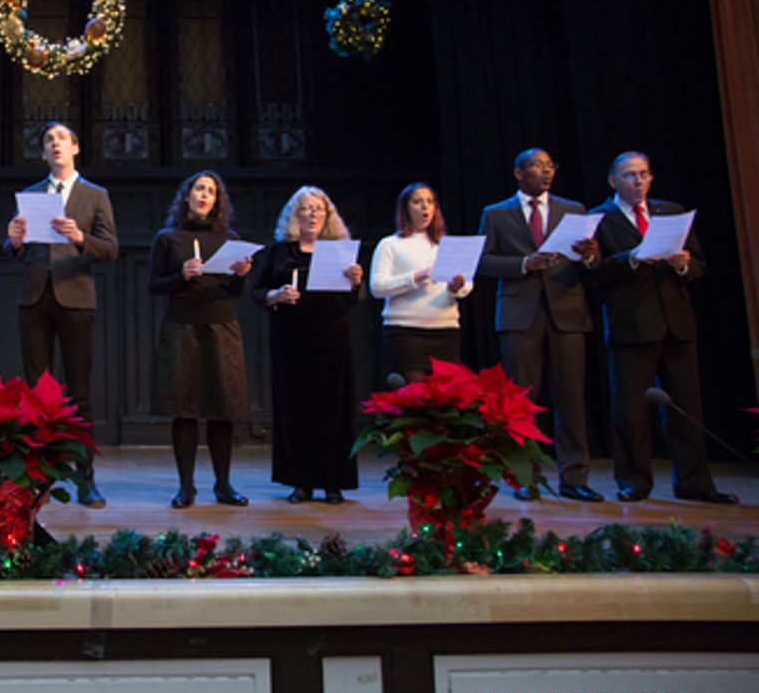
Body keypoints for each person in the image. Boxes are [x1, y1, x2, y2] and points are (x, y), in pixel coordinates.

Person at [590, 151, 737, 505]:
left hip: (676, 322)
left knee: (686, 406)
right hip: (631, 324)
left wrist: (684, 265)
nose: (638, 181)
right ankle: (634, 480)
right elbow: (593, 274)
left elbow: (700, 264)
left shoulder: (670, 211)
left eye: (643, 174)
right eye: (629, 175)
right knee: (630, 409)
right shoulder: (598, 219)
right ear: (613, 180)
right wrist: (631, 259)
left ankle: (694, 482)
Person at [4, 121, 118, 508]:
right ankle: (39, 478)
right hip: (35, 298)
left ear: (75, 148)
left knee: (78, 391)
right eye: (48, 141)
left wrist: (80, 238)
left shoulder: (95, 195)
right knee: (37, 392)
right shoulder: (32, 194)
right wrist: (13, 241)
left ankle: (86, 479)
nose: (55, 145)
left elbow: (111, 248)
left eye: (61, 139)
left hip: (75, 298)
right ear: (43, 153)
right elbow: (13, 251)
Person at [478, 148, 602, 502]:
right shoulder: (497, 213)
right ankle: (524, 477)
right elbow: (483, 261)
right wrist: (523, 264)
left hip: (566, 310)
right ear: (519, 173)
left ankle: (574, 477)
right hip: (521, 312)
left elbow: (592, 264)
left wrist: (591, 254)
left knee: (571, 397)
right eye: (537, 166)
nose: (546, 172)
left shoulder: (574, 210)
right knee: (521, 402)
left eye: (550, 166)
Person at [147, 171, 254, 509]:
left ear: (217, 201)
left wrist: (240, 276)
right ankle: (186, 487)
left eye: (211, 191)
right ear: (187, 196)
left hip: (220, 326)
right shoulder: (169, 238)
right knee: (185, 407)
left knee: (222, 407)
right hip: (182, 327)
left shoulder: (229, 237)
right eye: (199, 189)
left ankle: (223, 485)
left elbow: (236, 292)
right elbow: (153, 285)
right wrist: (182, 275)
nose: (204, 195)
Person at [254, 187, 363, 505]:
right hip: (291, 339)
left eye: (319, 209)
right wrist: (276, 296)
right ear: (294, 215)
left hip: (331, 338)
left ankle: (333, 482)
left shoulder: (340, 252)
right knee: (296, 410)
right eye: (306, 208)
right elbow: (258, 291)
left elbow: (350, 300)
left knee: (334, 411)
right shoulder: (279, 252)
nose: (313, 214)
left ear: (327, 216)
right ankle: (300, 481)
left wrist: (356, 282)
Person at [369, 182, 473, 382]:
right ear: (406, 208)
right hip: (406, 332)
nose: (425, 207)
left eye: (430, 202)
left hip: (446, 331)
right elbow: (378, 287)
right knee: (416, 398)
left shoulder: (446, 244)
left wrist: (457, 287)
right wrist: (416, 276)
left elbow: (467, 283)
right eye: (417, 202)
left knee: (445, 400)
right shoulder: (390, 244)